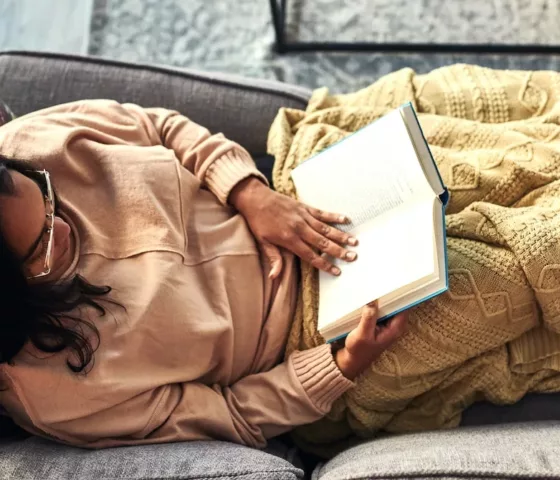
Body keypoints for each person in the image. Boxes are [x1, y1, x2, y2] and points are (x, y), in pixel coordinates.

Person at [0, 99, 408, 449]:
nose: (67, 228)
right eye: (43, 247)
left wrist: (250, 194)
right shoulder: (53, 397)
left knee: (434, 124)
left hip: (289, 190)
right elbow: (229, 414)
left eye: (47, 195)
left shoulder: (28, 141)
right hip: (312, 338)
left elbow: (160, 127)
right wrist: (340, 365)